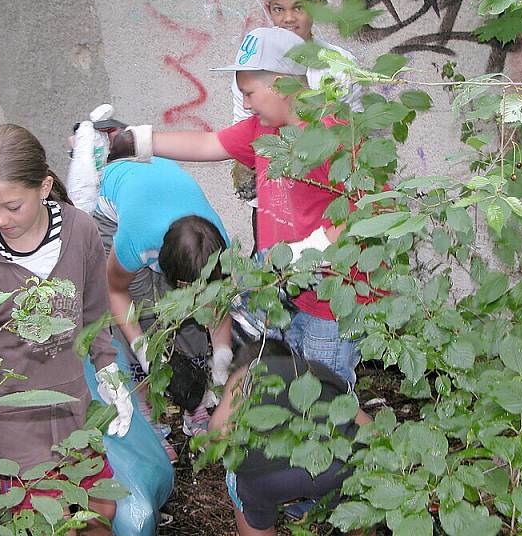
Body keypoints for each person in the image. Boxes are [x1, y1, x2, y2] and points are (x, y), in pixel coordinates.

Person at [107, 26, 365, 386]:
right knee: (287, 381)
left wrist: (306, 251)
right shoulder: (263, 130)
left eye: (249, 92)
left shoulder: (334, 136)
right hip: (285, 291)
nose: (244, 103)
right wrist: (144, 141)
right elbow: (209, 144)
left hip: (331, 302)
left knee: (326, 390)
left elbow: (365, 213)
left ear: (280, 84)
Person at [0, 124, 131, 534]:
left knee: (100, 513)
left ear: (45, 186)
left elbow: (94, 313)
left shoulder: (79, 231)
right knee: (48, 526)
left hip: (75, 416)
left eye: (12, 206)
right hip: (10, 431)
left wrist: (107, 367)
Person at [86, 128, 233, 456]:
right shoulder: (134, 239)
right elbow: (116, 291)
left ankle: (191, 399)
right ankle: (148, 410)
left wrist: (222, 355)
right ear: (163, 265)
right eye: (183, 284)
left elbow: (217, 303)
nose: (189, 291)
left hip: (160, 190)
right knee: (143, 308)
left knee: (190, 314)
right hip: (117, 207)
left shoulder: (217, 243)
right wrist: (142, 347)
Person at [230, 0, 365, 253]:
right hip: (273, 203)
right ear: (268, 9)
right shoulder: (251, 67)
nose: (288, 18)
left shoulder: (340, 65)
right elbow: (244, 133)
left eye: (298, 8)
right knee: (273, 281)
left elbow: (356, 136)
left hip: (329, 201)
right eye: (278, 9)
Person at [209, 339, 371, 536]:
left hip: (267, 478)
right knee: (359, 488)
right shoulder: (315, 370)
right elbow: (369, 428)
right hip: (334, 465)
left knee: (234, 476)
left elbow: (218, 433)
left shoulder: (247, 373)